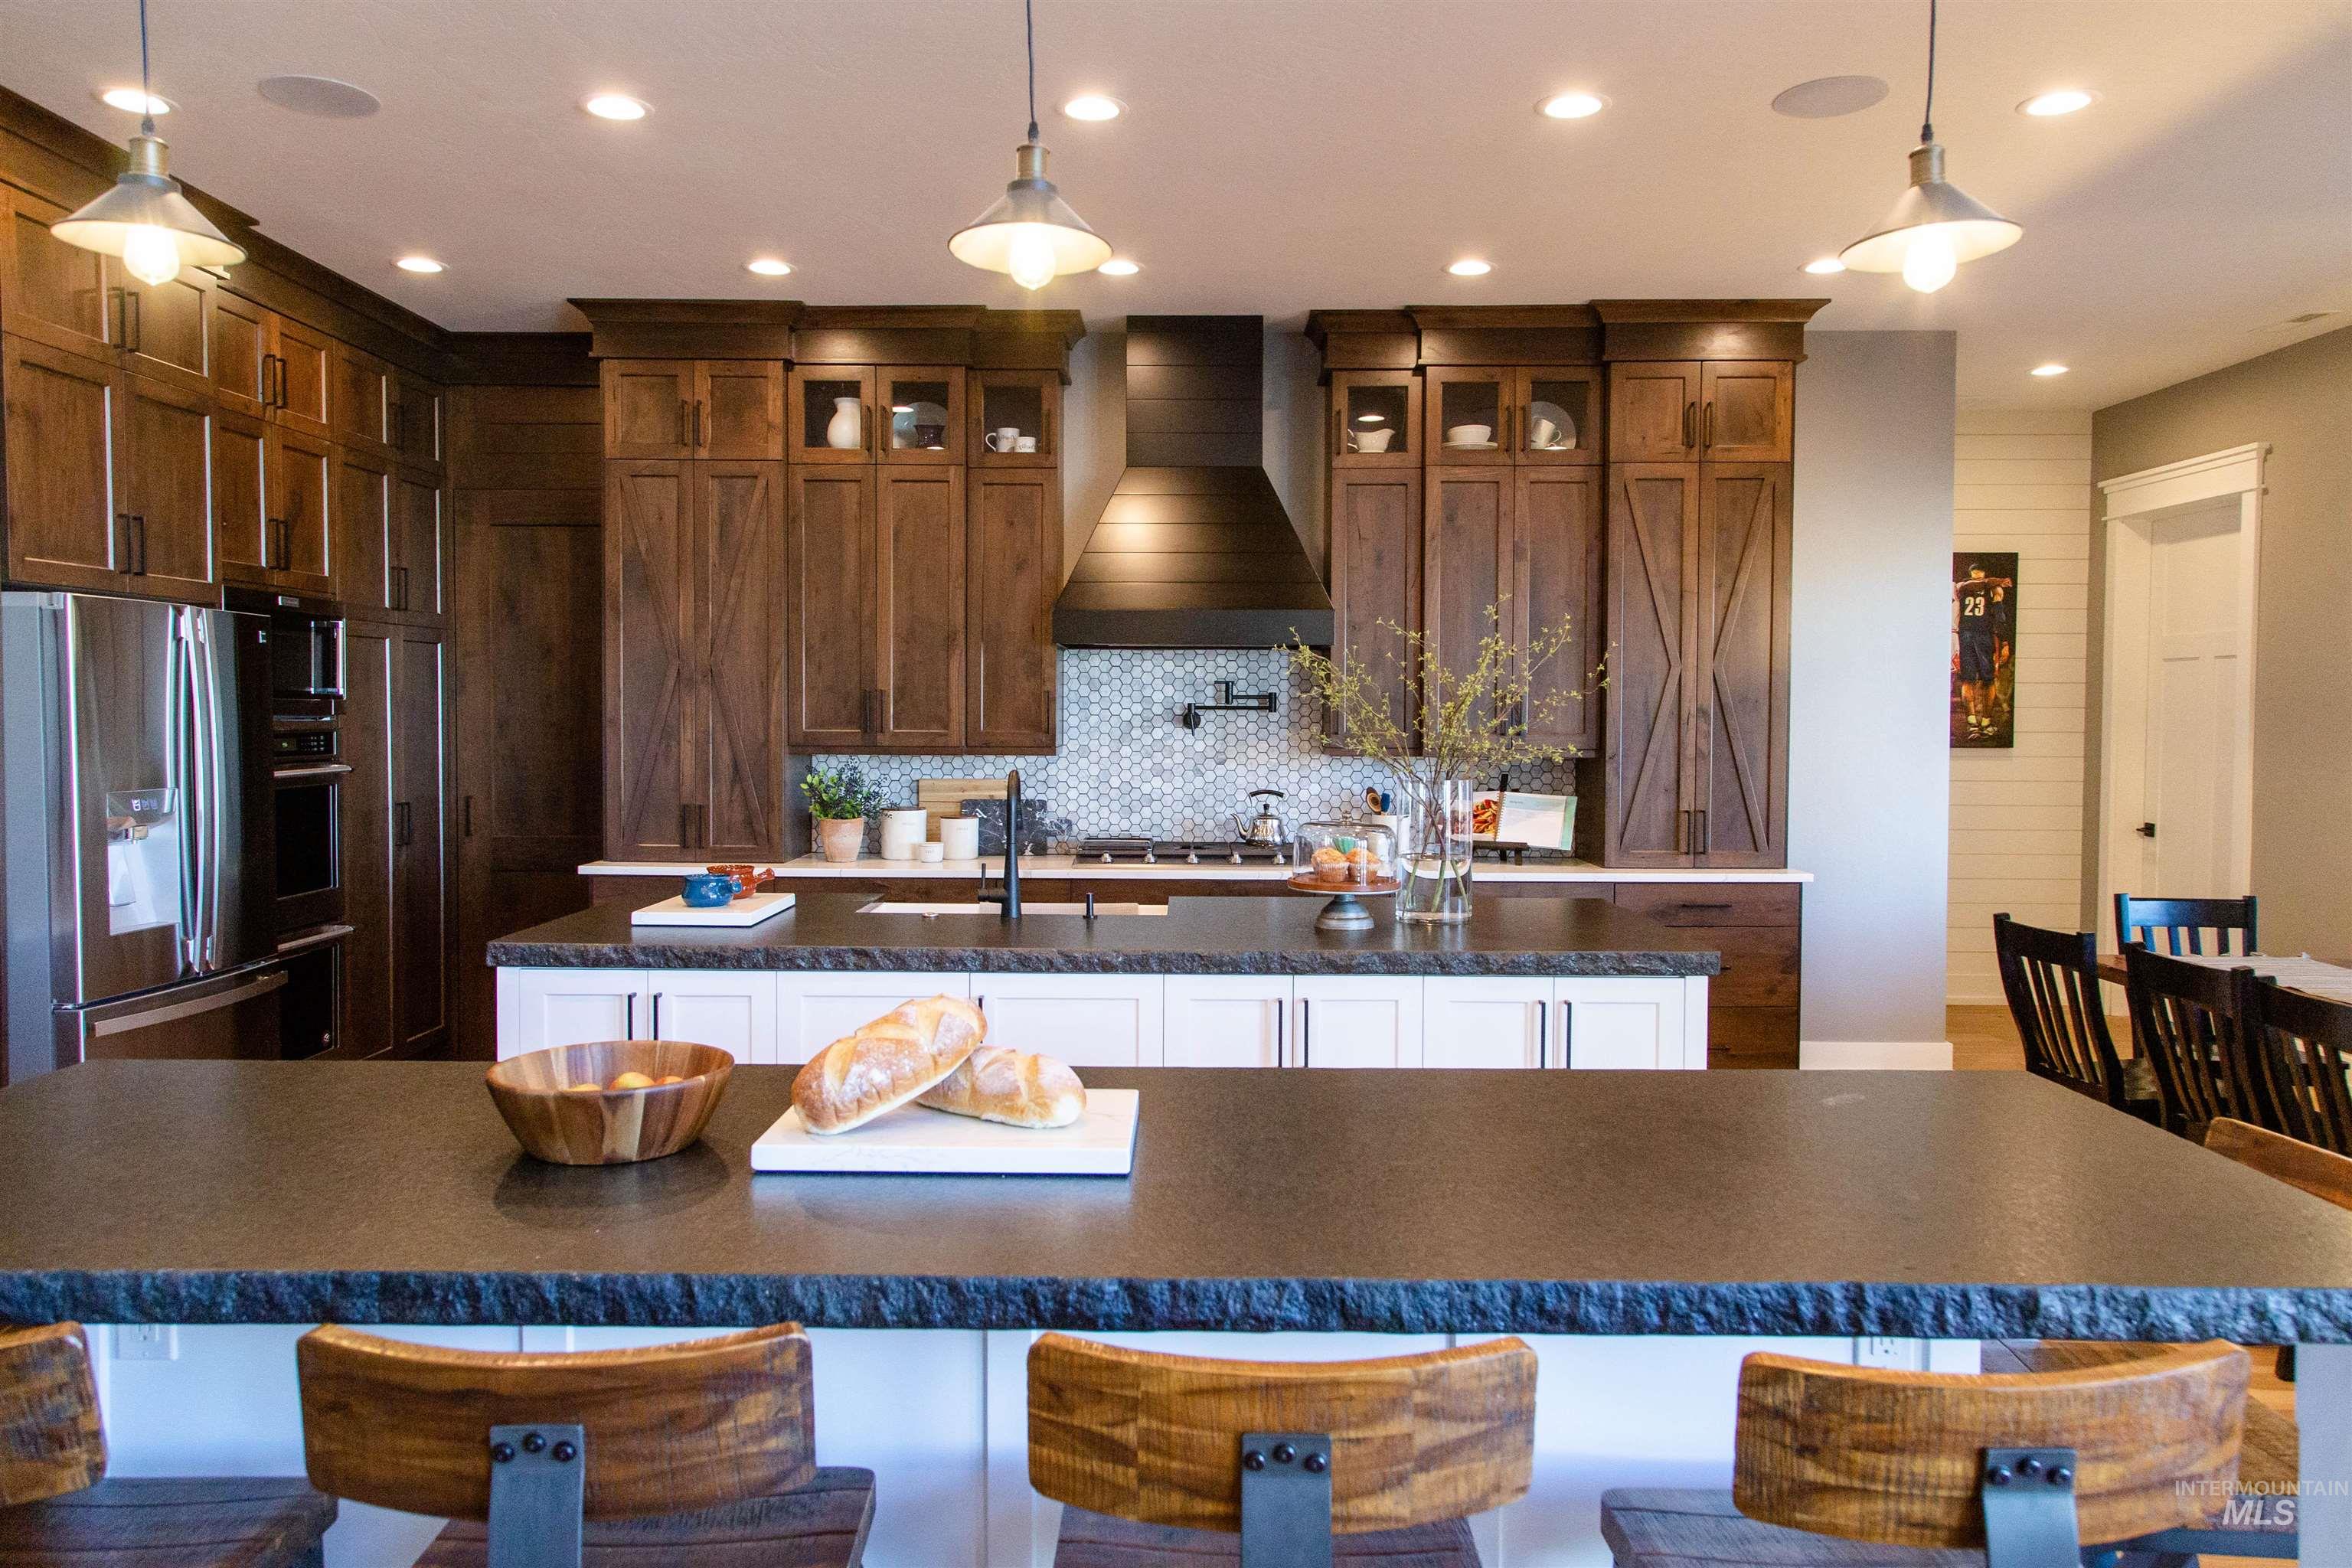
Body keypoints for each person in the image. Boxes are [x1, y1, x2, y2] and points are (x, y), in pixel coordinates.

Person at [1953, 562, 2013, 740]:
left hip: (1983, 635)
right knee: (1968, 679)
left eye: (1980, 570)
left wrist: (2004, 643)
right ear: (1971, 573)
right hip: (1968, 635)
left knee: (1988, 680)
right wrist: (1999, 581)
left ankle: (1985, 722)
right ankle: (1973, 724)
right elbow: (1978, 585)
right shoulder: (1962, 586)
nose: (1977, 574)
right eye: (1975, 571)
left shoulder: (1992, 589)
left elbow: (2000, 616)